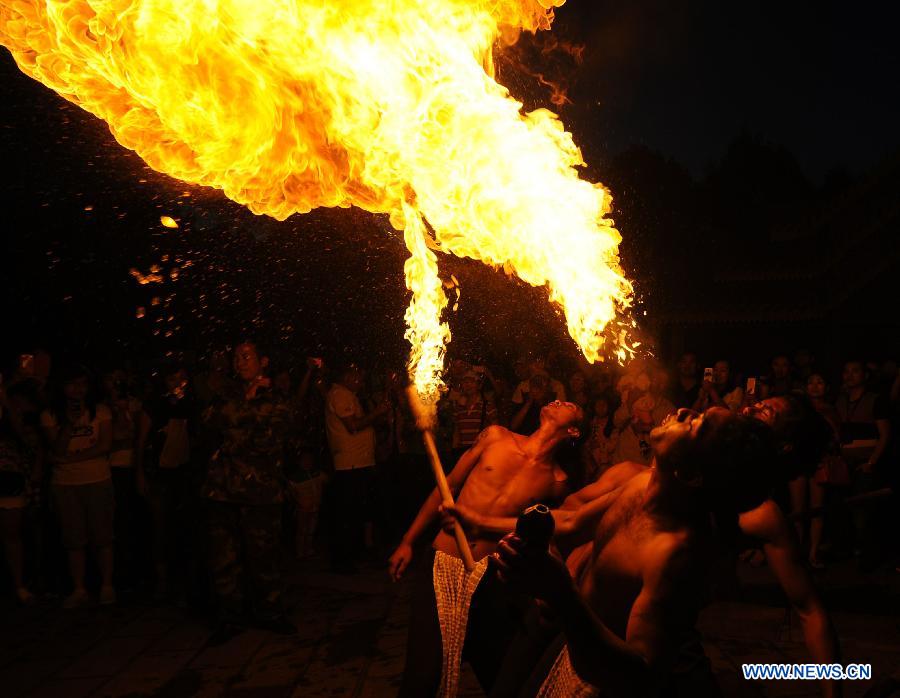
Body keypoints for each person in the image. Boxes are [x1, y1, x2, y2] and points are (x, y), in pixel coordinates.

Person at [490, 408, 778, 697]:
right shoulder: (640, 484)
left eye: (695, 425)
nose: (683, 411)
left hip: (600, 681)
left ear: (689, 474)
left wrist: (561, 592)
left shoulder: (675, 554)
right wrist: (476, 522)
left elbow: (641, 674)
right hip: (571, 646)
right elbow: (572, 522)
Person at [388, 401, 584, 697]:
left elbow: (545, 533)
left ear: (573, 430)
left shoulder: (557, 482)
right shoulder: (496, 436)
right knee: (423, 676)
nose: (559, 400)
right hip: (443, 561)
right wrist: (407, 541)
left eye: (569, 403)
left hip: (492, 574)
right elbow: (447, 487)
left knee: (499, 673)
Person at [201, 341, 294, 634]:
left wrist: (242, 416)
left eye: (246, 356)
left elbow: (270, 437)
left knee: (264, 555)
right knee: (225, 558)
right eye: (235, 357)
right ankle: (230, 615)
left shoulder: (276, 397)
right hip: (223, 489)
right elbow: (212, 425)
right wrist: (244, 404)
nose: (240, 362)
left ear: (262, 361)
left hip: (261, 491)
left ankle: (270, 612)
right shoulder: (224, 393)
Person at [40, 365, 115, 608]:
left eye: (82, 384)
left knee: (102, 534)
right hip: (65, 483)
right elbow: (56, 448)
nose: (77, 390)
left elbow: (104, 445)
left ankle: (106, 585)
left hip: (97, 478)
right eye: (72, 384)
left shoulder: (101, 411)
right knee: (73, 537)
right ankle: (79, 588)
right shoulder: (50, 415)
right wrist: (70, 425)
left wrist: (70, 459)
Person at [324, 363, 388, 572]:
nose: (360, 381)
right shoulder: (340, 395)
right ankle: (343, 560)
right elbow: (353, 426)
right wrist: (377, 412)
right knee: (348, 515)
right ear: (347, 376)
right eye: (357, 377)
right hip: (350, 464)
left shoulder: (348, 394)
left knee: (357, 512)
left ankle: (353, 555)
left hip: (359, 462)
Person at [834, 359, 891, 567]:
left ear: (865, 375)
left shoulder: (876, 400)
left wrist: (871, 462)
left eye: (855, 371)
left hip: (865, 464)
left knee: (864, 511)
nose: (850, 375)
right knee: (844, 510)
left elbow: (885, 435)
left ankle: (869, 556)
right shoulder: (839, 400)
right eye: (846, 371)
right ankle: (850, 551)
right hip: (844, 464)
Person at [102, 368, 150, 590]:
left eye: (118, 380)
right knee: (116, 520)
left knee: (132, 519)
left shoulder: (133, 405)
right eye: (111, 380)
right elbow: (110, 438)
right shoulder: (101, 408)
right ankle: (119, 574)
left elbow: (135, 434)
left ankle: (134, 572)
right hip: (110, 468)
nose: (115, 384)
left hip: (130, 466)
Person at [0, 379, 42, 604]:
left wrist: (8, 407)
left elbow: (28, 441)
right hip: (10, 475)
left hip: (10, 478)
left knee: (13, 534)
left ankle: (20, 584)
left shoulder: (20, 411)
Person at [451, 370, 498, 464]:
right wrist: (454, 450)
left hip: (482, 455)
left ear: (478, 385)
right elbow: (457, 431)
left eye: (471, 381)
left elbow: (496, 432)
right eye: (465, 382)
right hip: (462, 454)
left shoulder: (487, 406)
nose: (468, 385)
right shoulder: (459, 407)